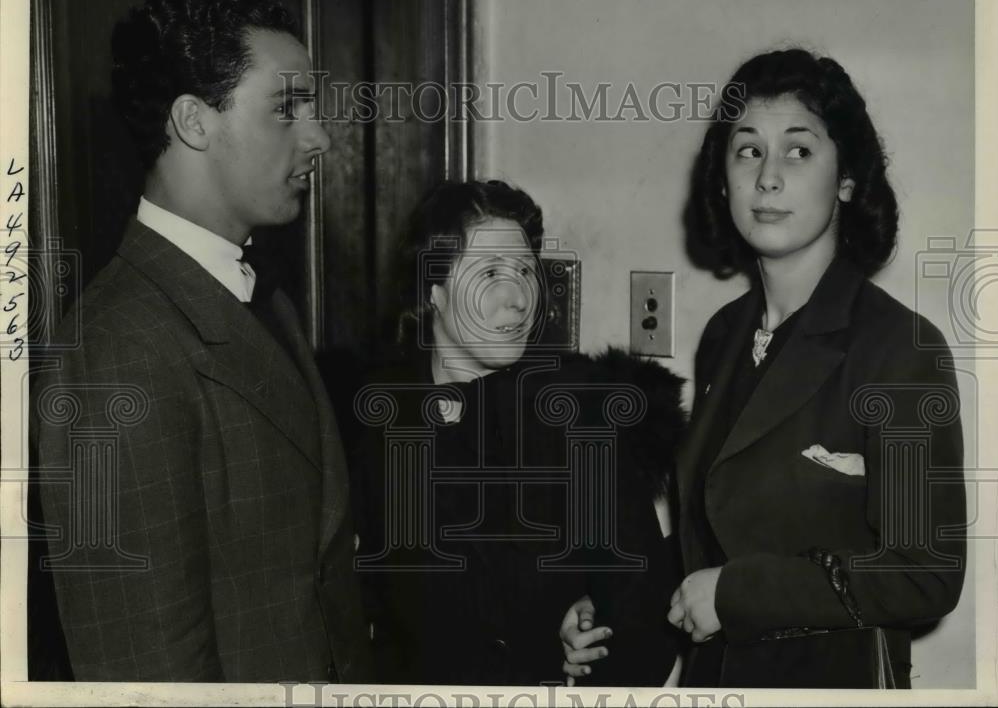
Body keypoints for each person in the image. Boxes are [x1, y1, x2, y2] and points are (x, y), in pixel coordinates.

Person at [564, 48, 966, 687]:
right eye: (748, 150)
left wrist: (736, 594)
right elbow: (717, 531)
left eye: (799, 151)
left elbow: (926, 572)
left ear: (847, 181)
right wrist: (616, 606)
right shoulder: (725, 334)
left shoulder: (899, 346)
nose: (768, 177)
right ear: (722, 182)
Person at [33, 0, 371, 682]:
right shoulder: (116, 351)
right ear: (193, 122)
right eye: (287, 108)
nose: (320, 136)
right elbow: (144, 669)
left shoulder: (261, 300)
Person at [353, 180, 685, 686]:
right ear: (433, 290)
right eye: (488, 273)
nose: (516, 299)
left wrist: (593, 643)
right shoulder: (372, 423)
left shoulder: (579, 415)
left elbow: (642, 607)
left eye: (526, 271)